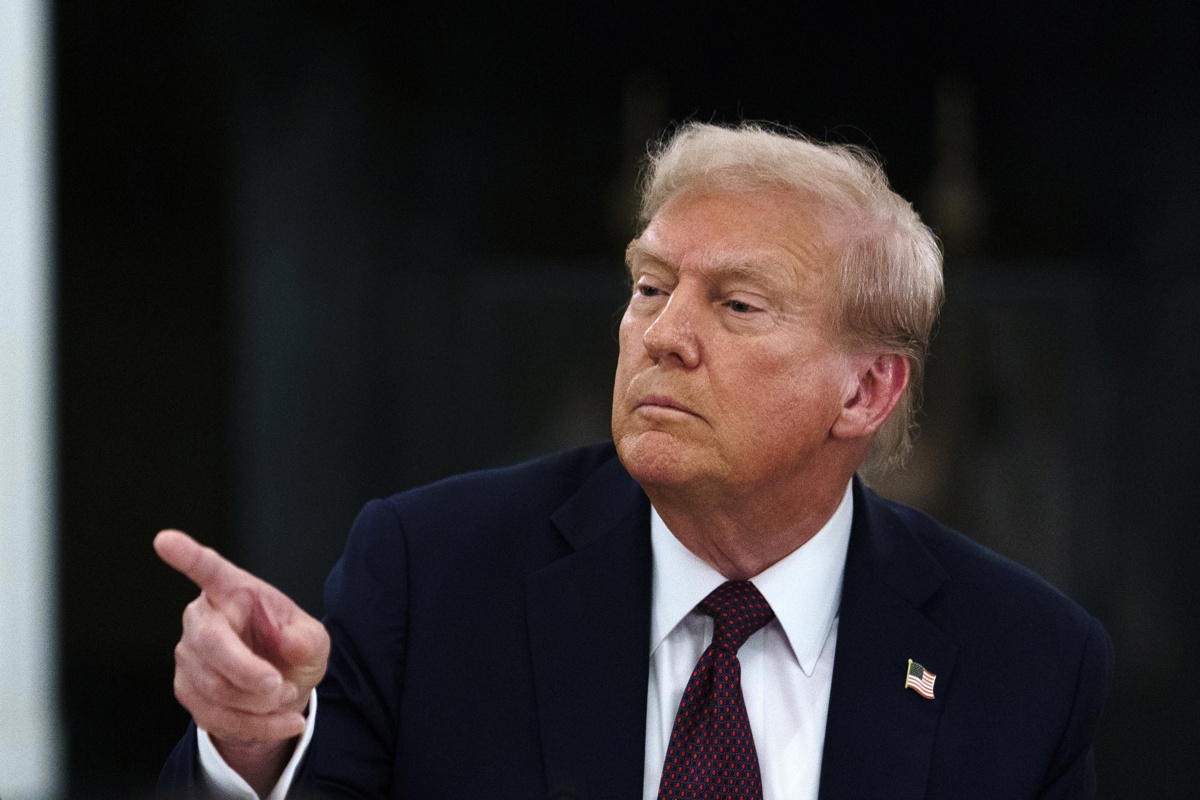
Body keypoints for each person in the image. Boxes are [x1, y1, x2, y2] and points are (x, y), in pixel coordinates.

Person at [156, 122, 1112, 800]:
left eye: (738, 305)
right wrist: (247, 751)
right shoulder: (429, 570)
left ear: (865, 392)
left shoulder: (1026, 663)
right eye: (650, 286)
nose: (663, 334)